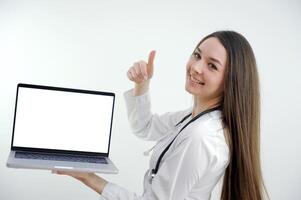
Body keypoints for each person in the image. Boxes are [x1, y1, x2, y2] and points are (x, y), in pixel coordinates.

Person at [53, 30, 268, 200]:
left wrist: (88, 177)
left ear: (231, 81)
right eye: (197, 55)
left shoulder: (202, 136)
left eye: (212, 66)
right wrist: (141, 84)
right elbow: (145, 127)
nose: (196, 67)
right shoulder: (195, 118)